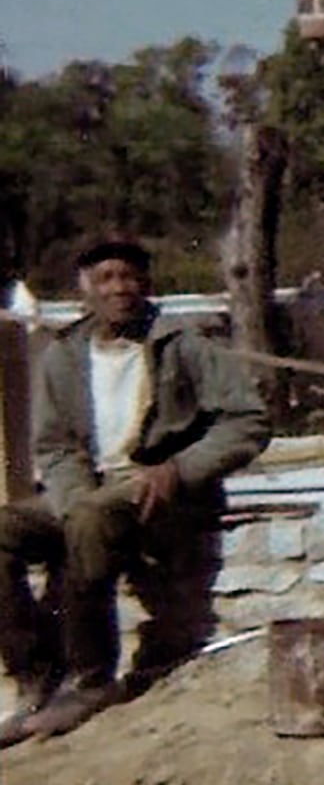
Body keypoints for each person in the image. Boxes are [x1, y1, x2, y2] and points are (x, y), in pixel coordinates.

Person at [0, 234, 271, 745]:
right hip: (90, 493)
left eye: (128, 277)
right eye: (105, 279)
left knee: (88, 520)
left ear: (145, 284)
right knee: (8, 530)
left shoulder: (181, 345)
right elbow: (54, 446)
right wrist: (73, 494)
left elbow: (249, 421)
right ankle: (34, 674)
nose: (118, 288)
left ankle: (92, 677)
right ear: (86, 290)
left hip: (164, 495)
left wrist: (181, 468)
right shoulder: (64, 356)